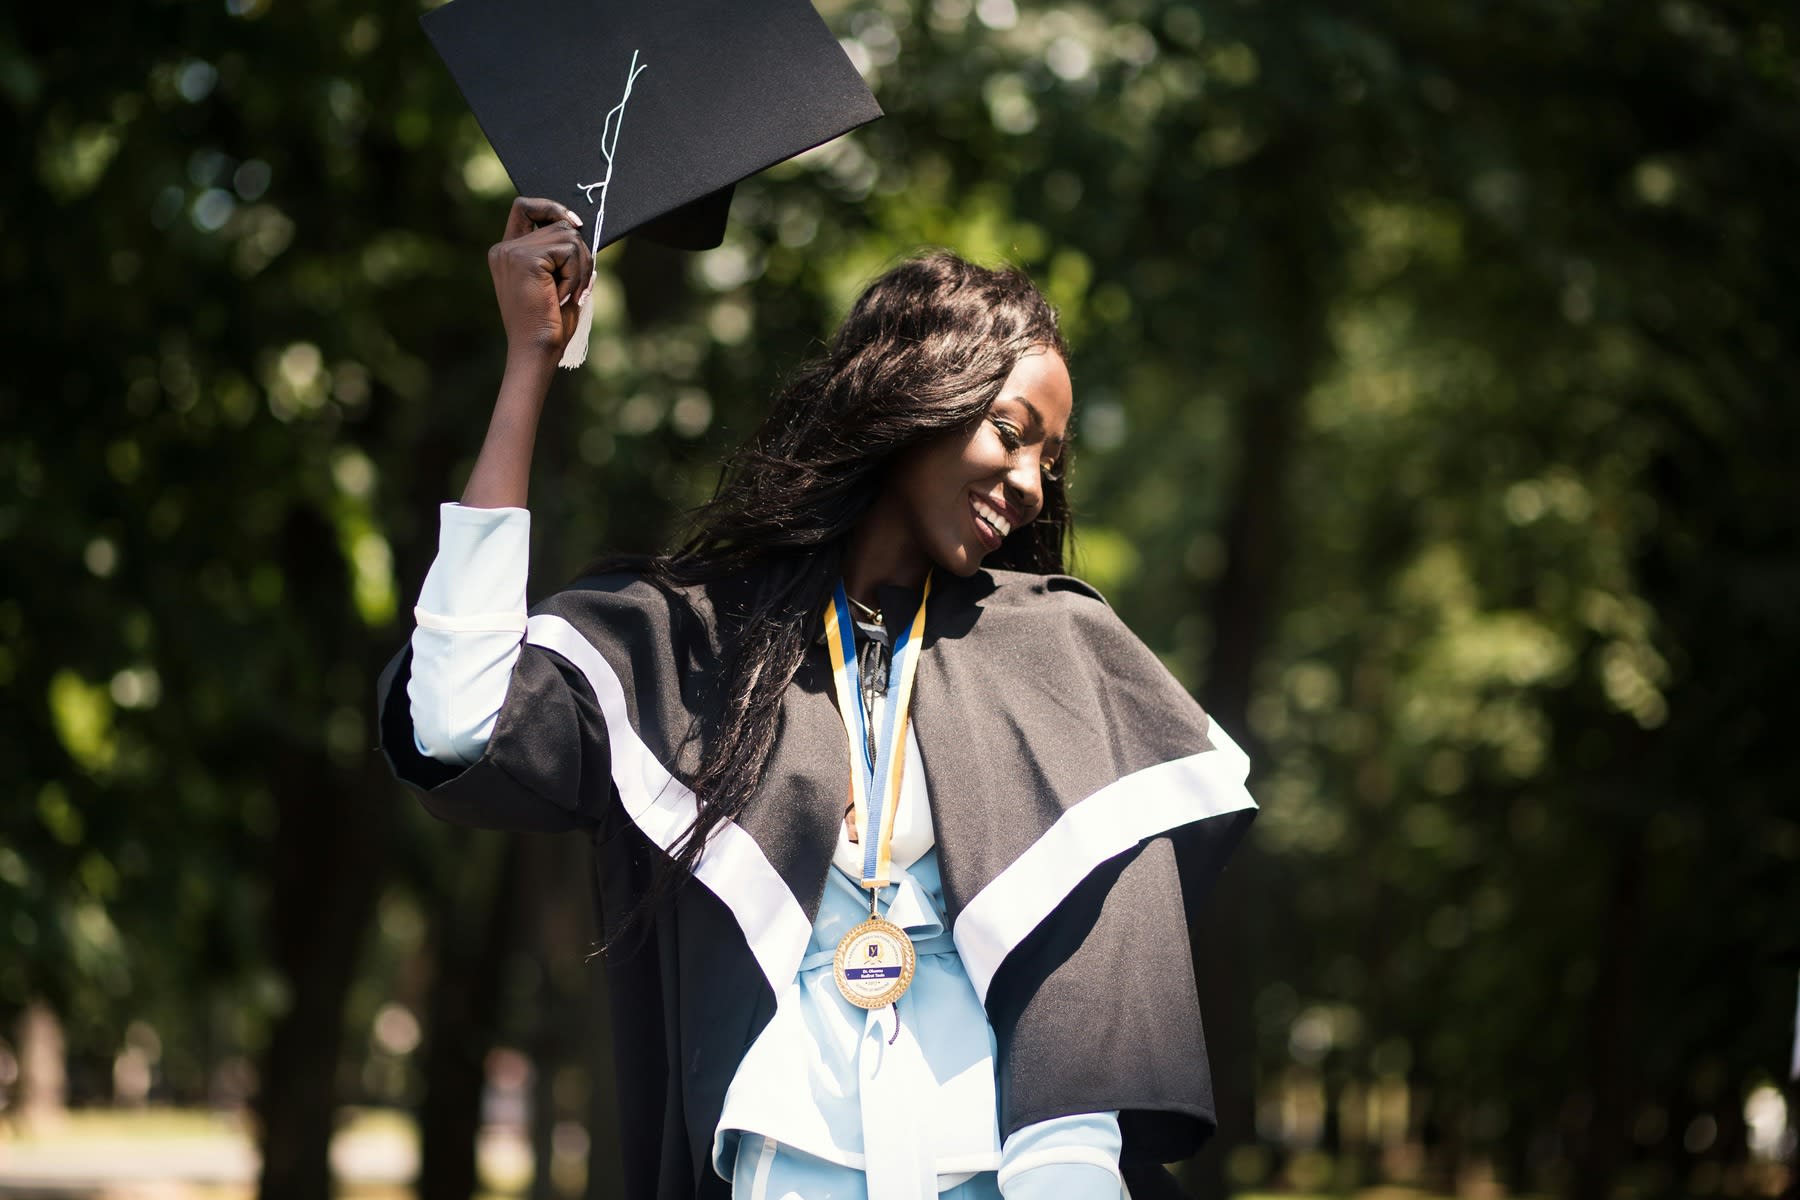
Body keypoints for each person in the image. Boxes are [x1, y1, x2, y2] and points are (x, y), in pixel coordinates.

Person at [376, 196, 1257, 1200]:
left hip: (1006, 1169)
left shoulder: (1063, 655)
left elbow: (1100, 978)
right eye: (1011, 433)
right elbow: (456, 718)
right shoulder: (696, 643)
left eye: (1049, 463)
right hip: (781, 1163)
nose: (1028, 485)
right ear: (919, 394)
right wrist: (528, 364)